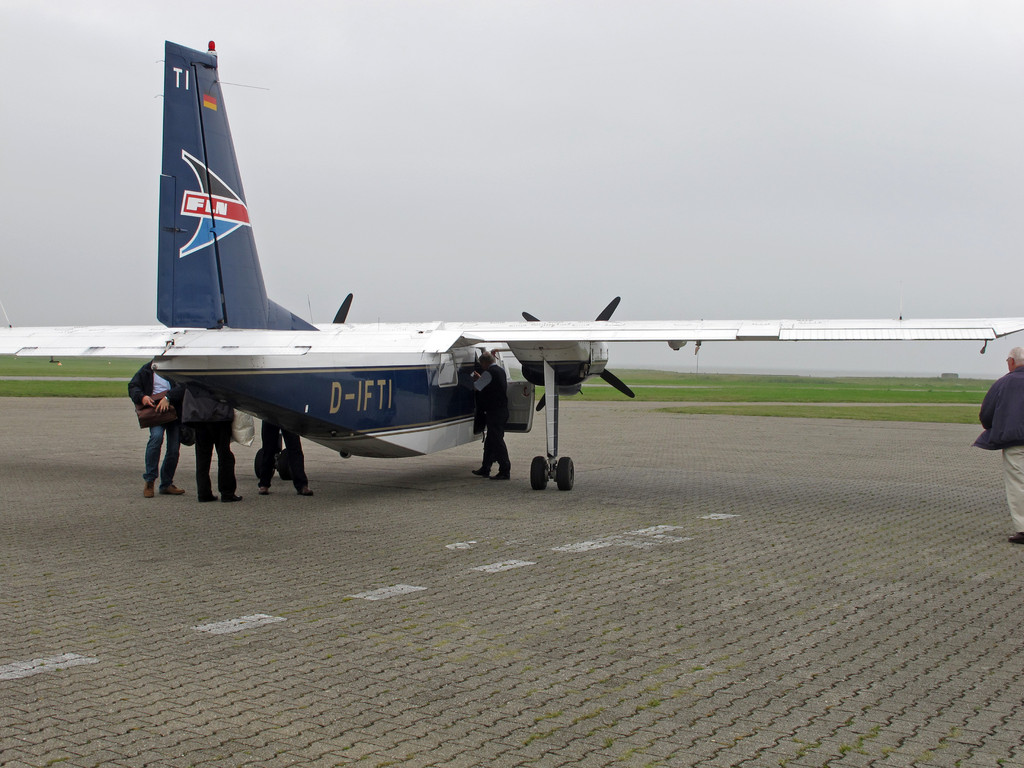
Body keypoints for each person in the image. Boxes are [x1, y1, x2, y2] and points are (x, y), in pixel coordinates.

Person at [974, 346, 1024, 544]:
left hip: (1014, 442)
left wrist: (991, 427)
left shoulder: (1003, 383)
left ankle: (1023, 528)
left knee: (1018, 484)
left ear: (1011, 362)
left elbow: (986, 414)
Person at [128, 361, 185, 498]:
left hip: (173, 411)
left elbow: (184, 385)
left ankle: (166, 483)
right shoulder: (147, 369)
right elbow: (133, 386)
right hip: (155, 412)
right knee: (156, 438)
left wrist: (168, 397)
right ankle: (150, 481)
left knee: (173, 449)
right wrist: (143, 397)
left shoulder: (174, 368)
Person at [181, 383, 241, 503]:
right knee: (225, 456)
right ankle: (227, 492)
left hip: (199, 416)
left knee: (202, 457)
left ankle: (203, 493)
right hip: (219, 415)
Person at [471, 351, 511, 480]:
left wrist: (476, 380)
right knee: (490, 441)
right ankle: (485, 467)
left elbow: (477, 387)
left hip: (494, 412)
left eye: (481, 364)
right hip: (501, 410)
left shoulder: (489, 373)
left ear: (485, 363)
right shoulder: (500, 371)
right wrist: (481, 378)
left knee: (497, 441)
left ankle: (505, 469)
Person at [257, 421, 313, 496]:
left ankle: (302, 485)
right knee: (268, 450)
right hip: (270, 413)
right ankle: (264, 484)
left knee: (295, 449)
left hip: (288, 416)